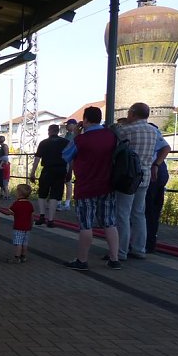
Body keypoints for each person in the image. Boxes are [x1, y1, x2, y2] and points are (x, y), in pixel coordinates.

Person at [61, 106, 121, 270]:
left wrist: (76, 134)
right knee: (110, 223)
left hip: (86, 187)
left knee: (86, 225)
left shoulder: (81, 139)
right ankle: (114, 259)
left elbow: (66, 155)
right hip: (107, 185)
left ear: (85, 120)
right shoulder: (111, 136)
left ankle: (82, 260)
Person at [114, 102, 158, 261]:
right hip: (144, 177)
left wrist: (121, 124)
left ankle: (121, 252)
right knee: (139, 213)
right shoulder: (154, 131)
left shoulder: (126, 130)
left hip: (127, 178)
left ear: (132, 113)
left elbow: (114, 134)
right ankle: (139, 249)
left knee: (123, 214)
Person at [29, 123, 68, 227]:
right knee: (55, 195)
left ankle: (42, 216)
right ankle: (51, 220)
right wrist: (69, 172)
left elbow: (37, 158)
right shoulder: (65, 142)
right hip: (61, 170)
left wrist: (32, 173)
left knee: (42, 193)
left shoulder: (44, 143)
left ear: (49, 131)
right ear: (58, 131)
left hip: (47, 170)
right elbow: (70, 158)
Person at [145, 123, 171, 253]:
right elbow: (166, 148)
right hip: (159, 173)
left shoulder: (150, 131)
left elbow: (166, 147)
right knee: (152, 210)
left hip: (153, 174)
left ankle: (147, 243)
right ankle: (149, 242)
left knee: (148, 210)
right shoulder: (153, 131)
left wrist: (155, 165)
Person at [6, 184, 34, 263]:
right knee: (25, 243)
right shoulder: (29, 204)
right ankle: (23, 256)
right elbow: (32, 216)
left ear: (19, 193)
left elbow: (9, 212)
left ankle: (17, 257)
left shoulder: (17, 204)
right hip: (27, 227)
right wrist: (31, 225)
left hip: (18, 227)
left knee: (18, 243)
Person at [60, 118, 78, 210]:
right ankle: (64, 202)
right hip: (67, 159)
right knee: (66, 180)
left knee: (68, 181)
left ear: (74, 125)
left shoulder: (75, 135)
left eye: (69, 124)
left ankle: (67, 203)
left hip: (71, 160)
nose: (66, 126)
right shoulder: (67, 135)